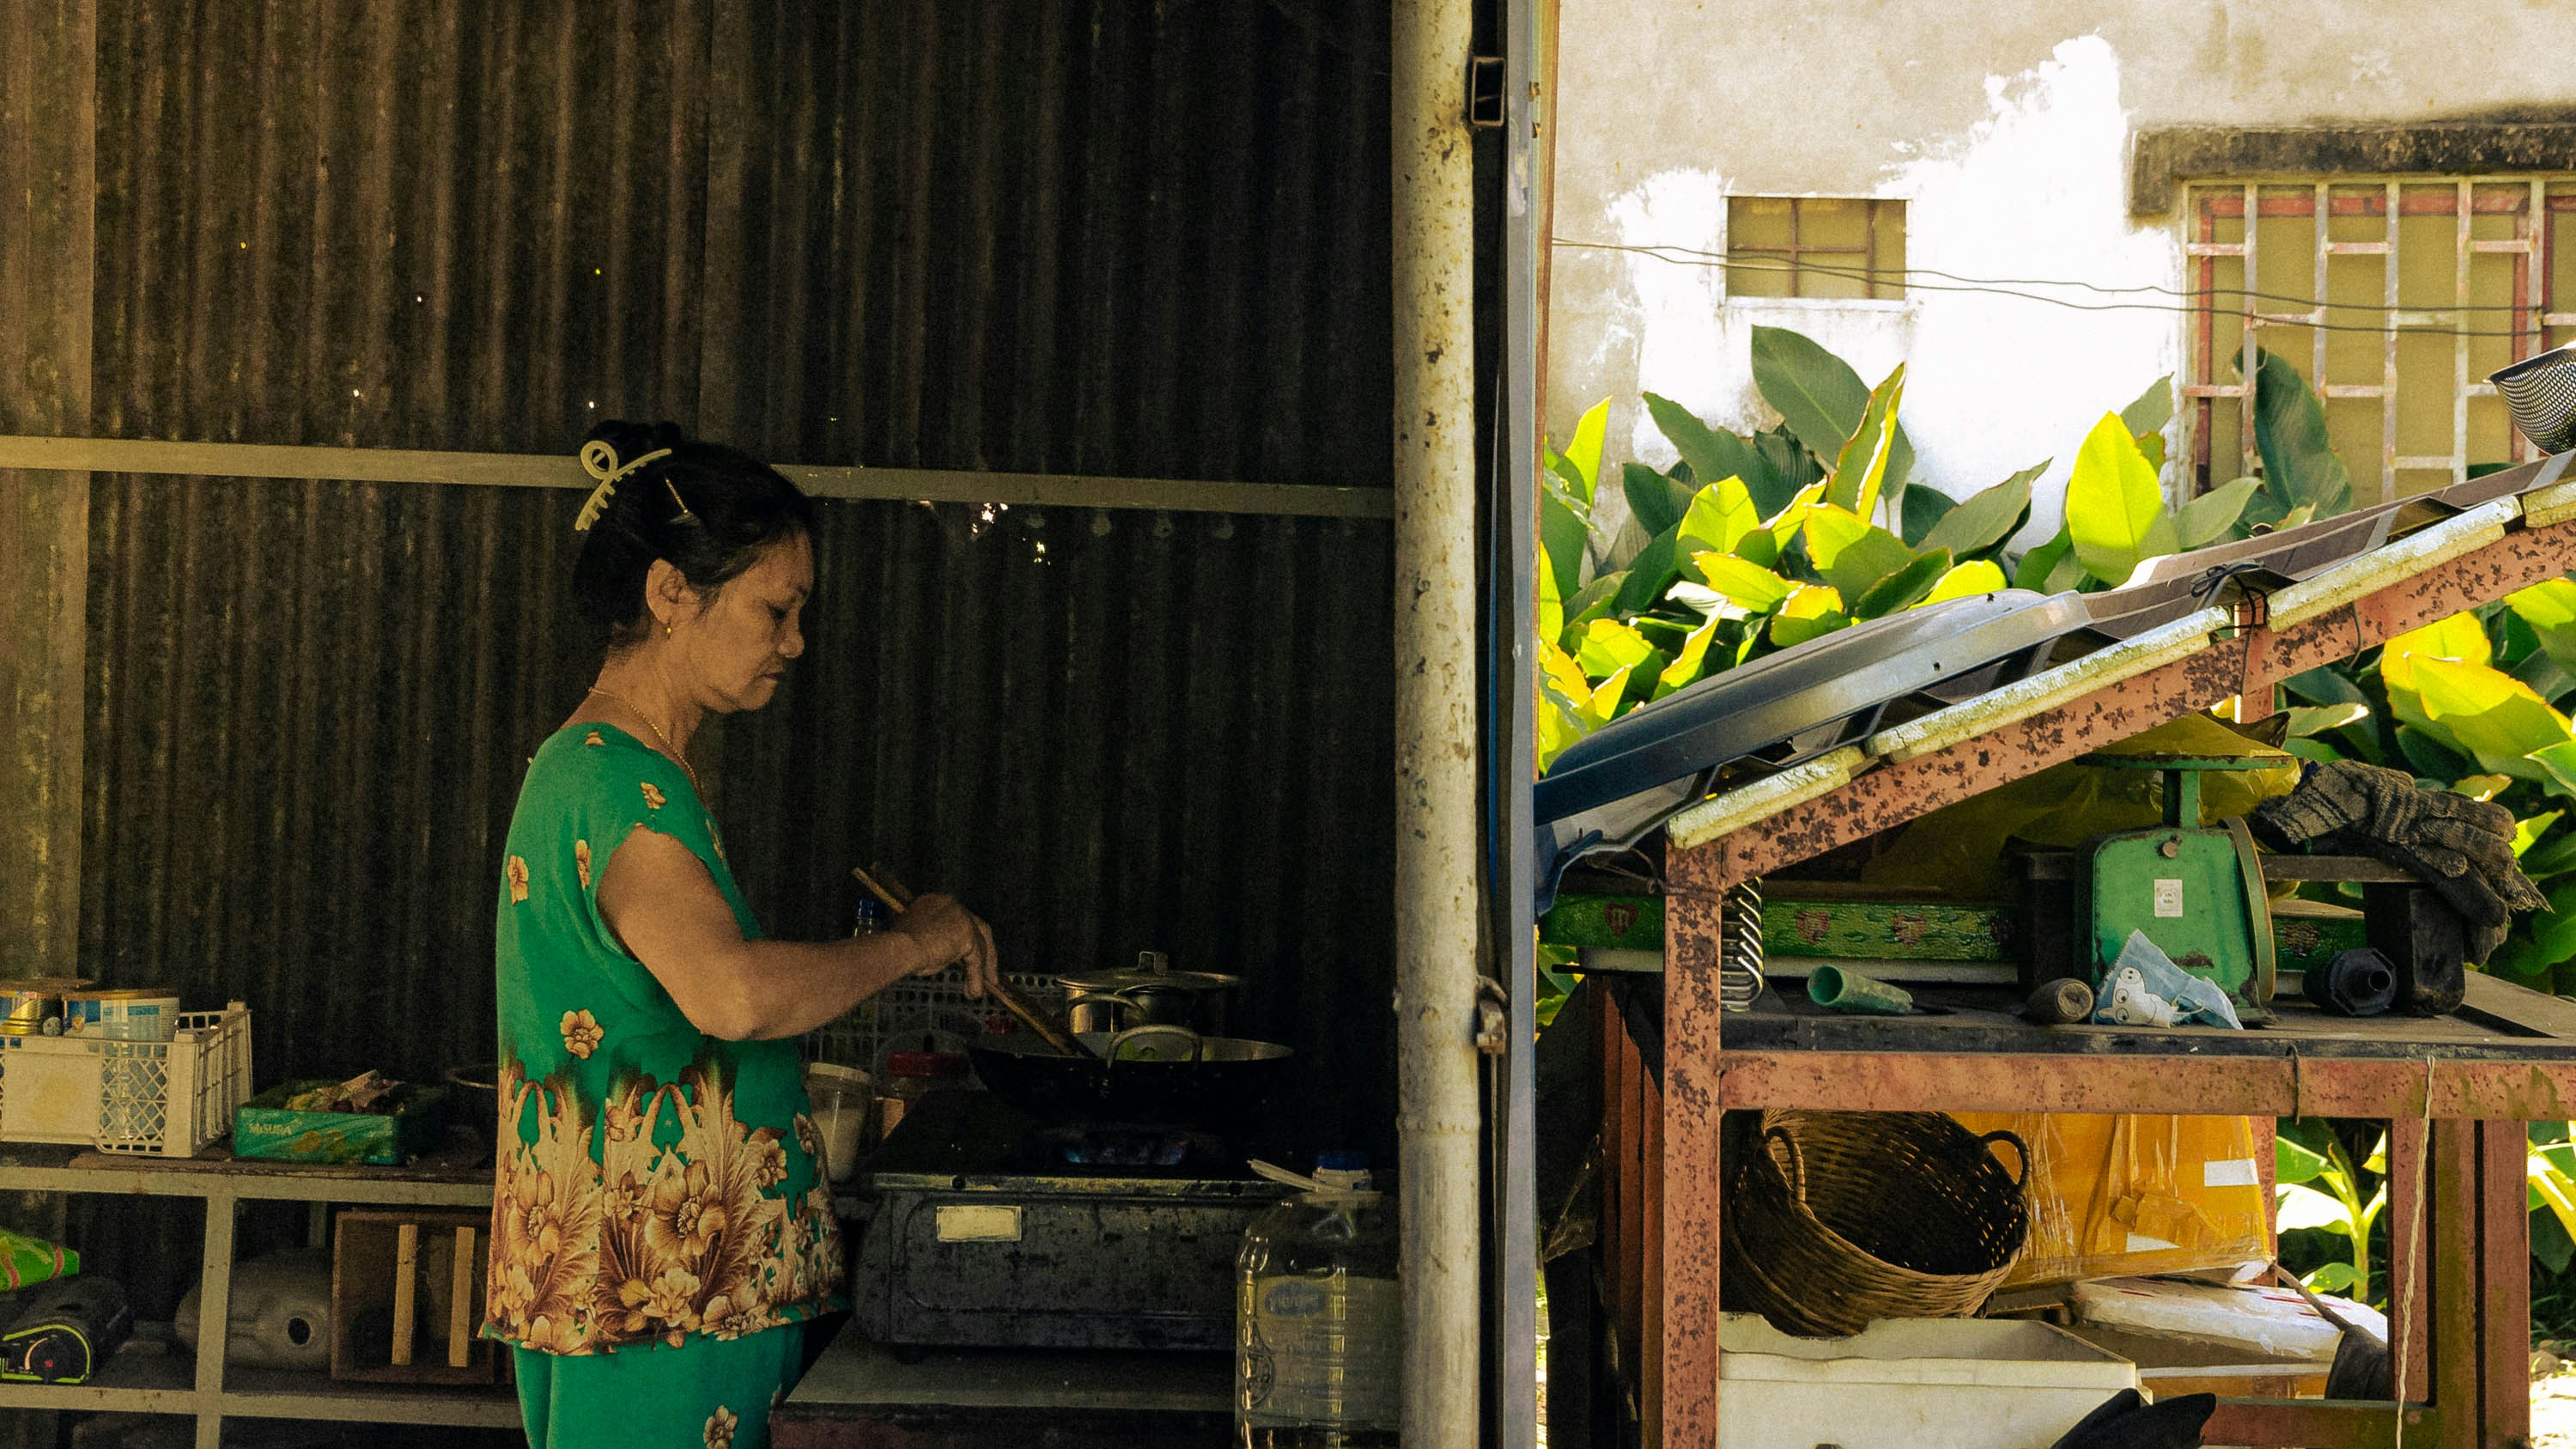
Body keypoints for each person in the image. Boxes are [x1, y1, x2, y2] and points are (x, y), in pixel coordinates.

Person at [484, 421, 997, 1449]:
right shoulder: (607, 779)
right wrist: (911, 943)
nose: (795, 641)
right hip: (661, 1298)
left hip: (674, 1291)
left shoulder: (626, 774)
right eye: (777, 608)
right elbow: (733, 995)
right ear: (672, 595)